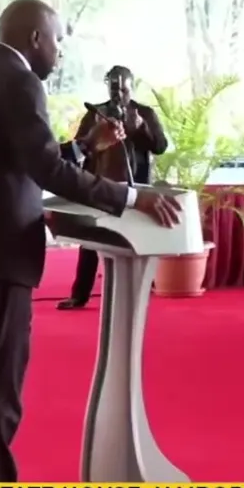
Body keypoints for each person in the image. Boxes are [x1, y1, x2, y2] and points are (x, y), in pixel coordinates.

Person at [0, 0, 181, 488]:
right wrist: (131, 197)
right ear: (36, 38)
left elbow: (17, 154)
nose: (60, 52)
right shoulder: (20, 82)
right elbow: (45, 169)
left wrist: (84, 147)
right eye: (58, 40)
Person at [57, 65, 170, 310]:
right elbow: (80, 147)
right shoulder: (94, 114)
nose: (118, 94)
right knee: (89, 242)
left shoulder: (145, 113)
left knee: (137, 241)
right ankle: (80, 294)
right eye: (113, 88)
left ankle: (142, 288)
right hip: (100, 185)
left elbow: (160, 146)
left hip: (135, 188)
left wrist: (141, 127)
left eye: (123, 89)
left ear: (132, 87)